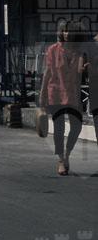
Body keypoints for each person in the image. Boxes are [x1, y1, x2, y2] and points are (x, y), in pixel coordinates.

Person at [40, 22, 85, 176]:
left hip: (73, 94)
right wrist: (42, 95)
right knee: (59, 127)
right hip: (56, 94)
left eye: (70, 31)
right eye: (64, 31)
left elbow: (80, 73)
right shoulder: (52, 50)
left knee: (77, 126)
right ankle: (61, 160)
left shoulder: (79, 52)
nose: (67, 34)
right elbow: (47, 73)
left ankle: (67, 154)